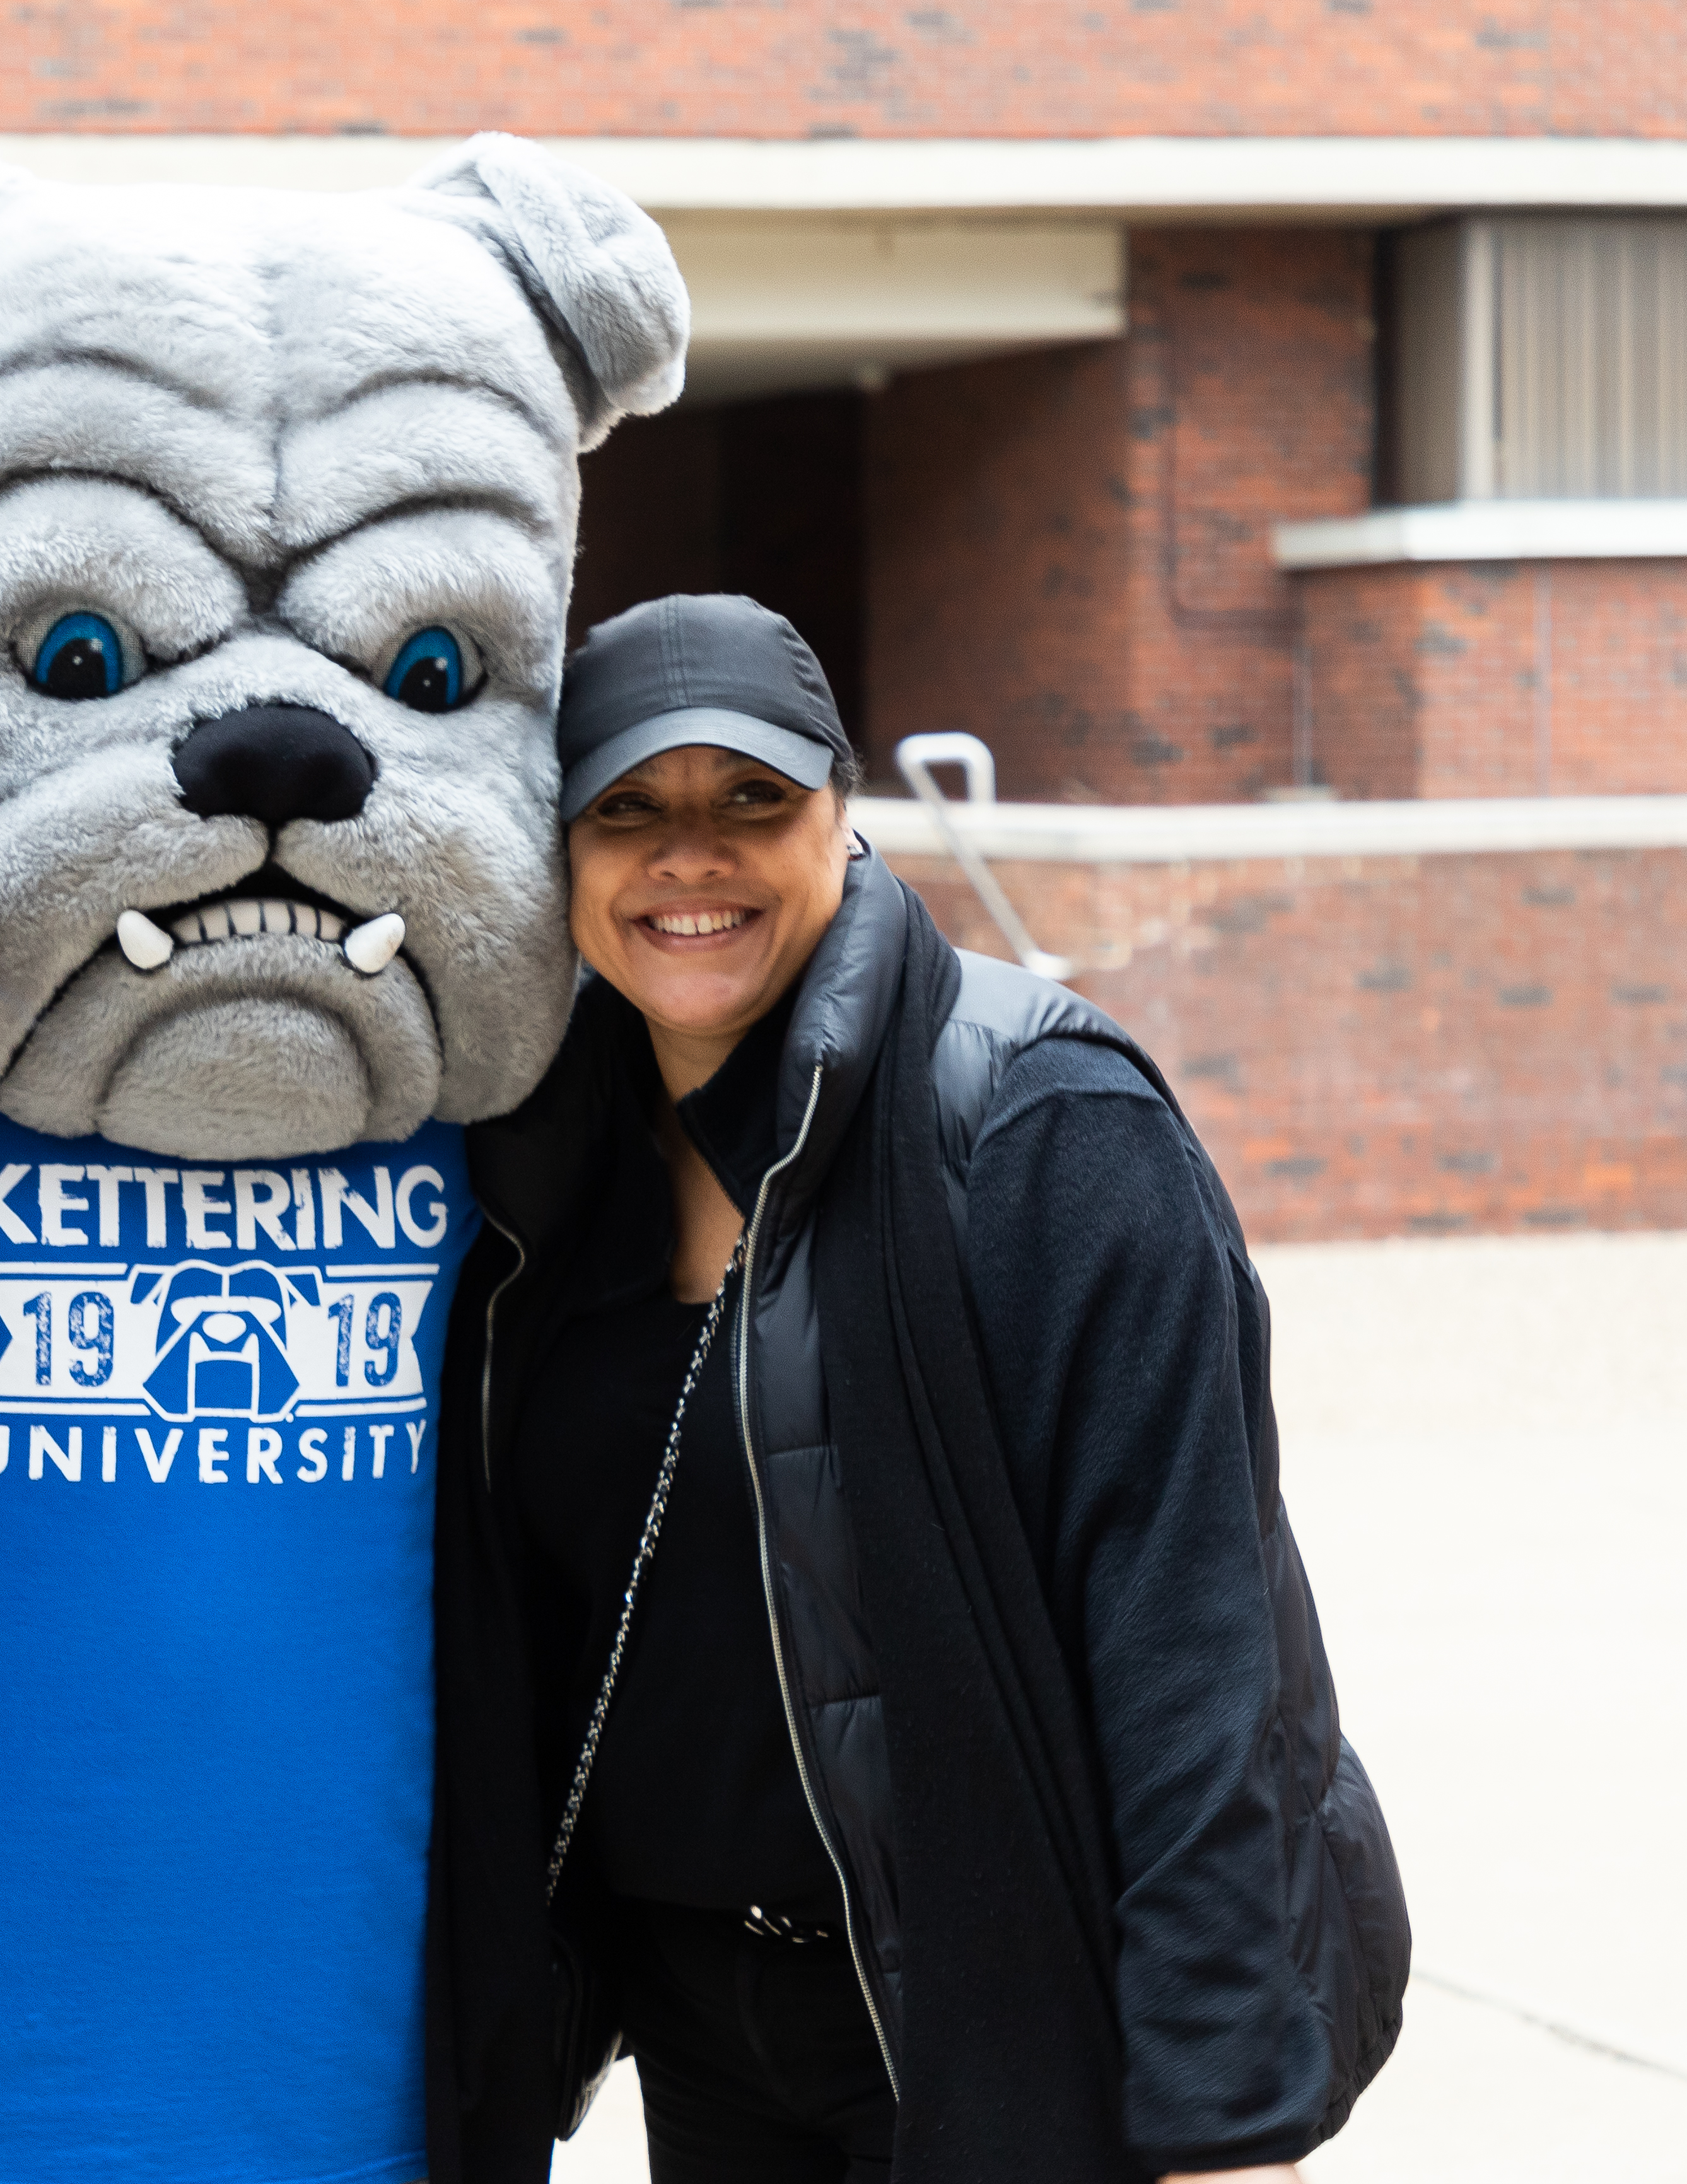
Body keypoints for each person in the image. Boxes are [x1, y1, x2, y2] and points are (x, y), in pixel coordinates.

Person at [428, 596, 1408, 2184]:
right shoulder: (543, 1165)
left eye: (751, 797)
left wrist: (1224, 2115)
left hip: (995, 2008)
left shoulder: (1042, 1127)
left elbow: (1194, 1648)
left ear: (841, 807)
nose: (691, 857)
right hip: (697, 2017)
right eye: (627, 811)